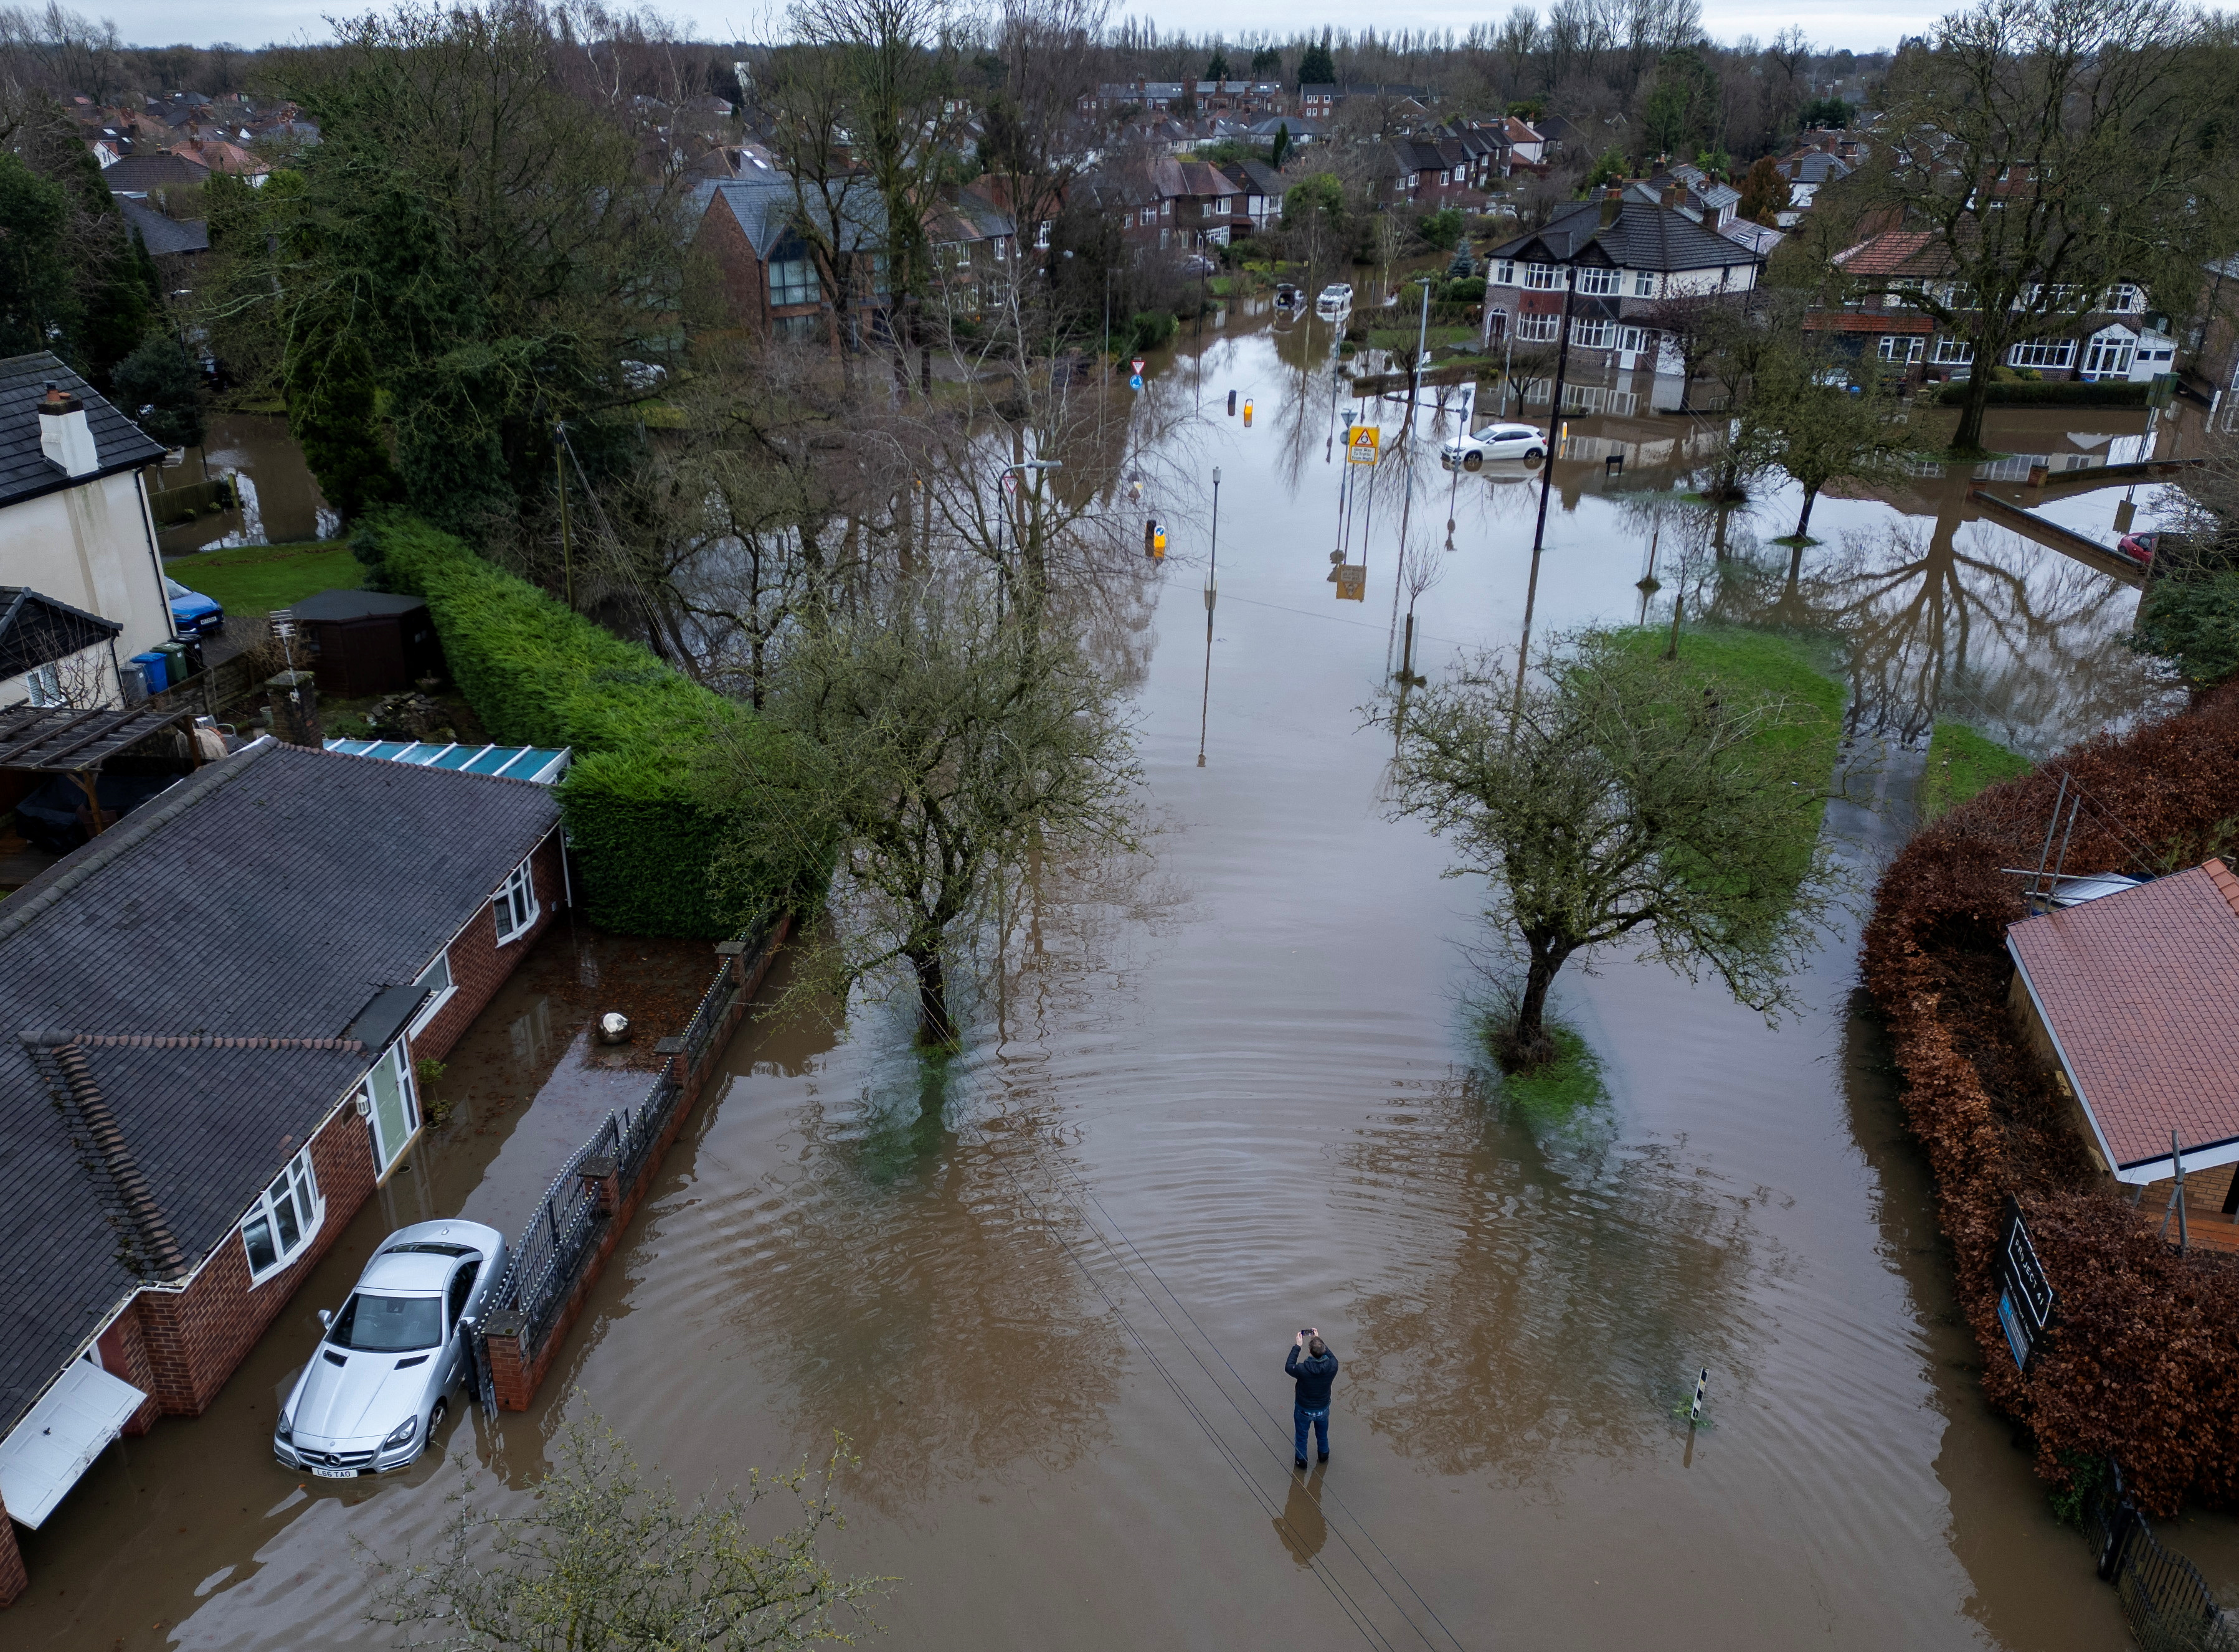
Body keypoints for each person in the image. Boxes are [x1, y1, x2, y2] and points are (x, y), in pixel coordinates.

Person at [1285, 1328, 1337, 1470]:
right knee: (1322, 1435)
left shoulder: (1302, 1370)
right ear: (1323, 1351)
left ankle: (1301, 1463)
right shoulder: (1333, 1366)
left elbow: (1289, 1366)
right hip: (1323, 1409)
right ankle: (1323, 1457)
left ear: (1309, 1352)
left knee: (1302, 1437)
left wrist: (1297, 1346)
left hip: (1304, 1410)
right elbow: (1331, 1356)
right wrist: (1319, 1341)